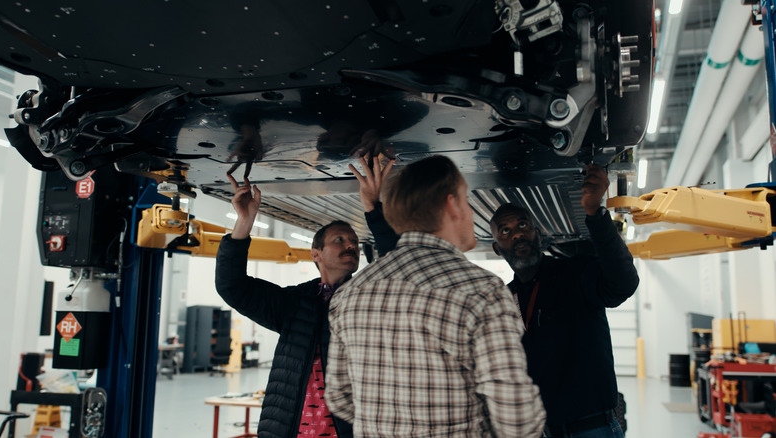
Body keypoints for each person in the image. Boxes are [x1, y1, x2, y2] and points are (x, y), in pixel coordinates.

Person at [325, 155, 546, 437]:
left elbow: (340, 398)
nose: (470, 213)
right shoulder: (481, 291)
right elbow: (516, 418)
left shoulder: (349, 294)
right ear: (452, 204)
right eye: (466, 201)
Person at [215, 155, 394, 438]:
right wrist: (244, 222)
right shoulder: (294, 304)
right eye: (340, 240)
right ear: (316, 255)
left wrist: (373, 207)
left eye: (354, 242)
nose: (351, 245)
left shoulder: (370, 299)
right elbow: (232, 286)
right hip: (289, 429)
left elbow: (401, 267)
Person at [488, 163, 639, 438]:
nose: (518, 234)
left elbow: (623, 284)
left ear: (538, 233)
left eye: (523, 225)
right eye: (506, 231)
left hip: (592, 429)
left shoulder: (575, 274)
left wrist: (595, 214)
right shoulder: (503, 300)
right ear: (497, 248)